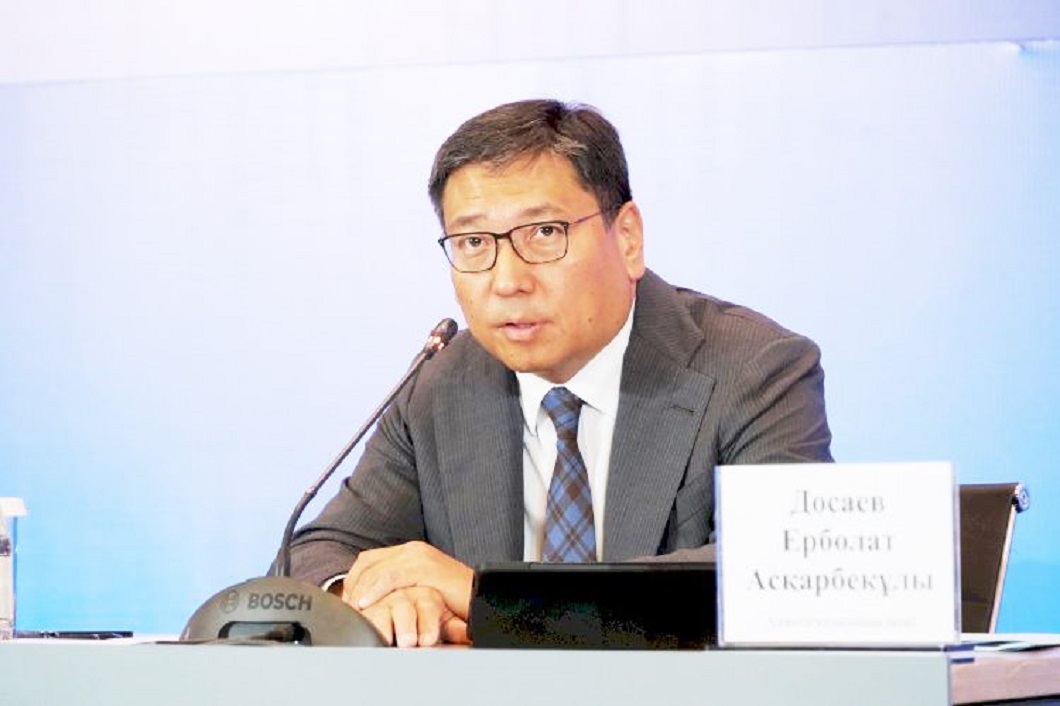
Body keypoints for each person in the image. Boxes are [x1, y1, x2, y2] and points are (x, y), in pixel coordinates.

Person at [288, 98, 833, 646]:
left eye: (545, 233)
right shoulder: (438, 385)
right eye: (474, 243)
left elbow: (781, 574)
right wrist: (373, 597)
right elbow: (314, 555)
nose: (507, 281)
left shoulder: (755, 369)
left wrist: (489, 600)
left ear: (628, 237)